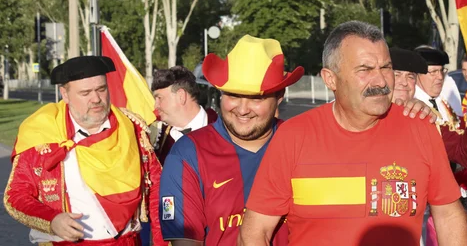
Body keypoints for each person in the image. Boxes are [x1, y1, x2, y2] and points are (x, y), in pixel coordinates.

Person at [239, 21, 467, 246]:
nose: (380, 81)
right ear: (330, 79)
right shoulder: (293, 136)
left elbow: (449, 215)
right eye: (365, 70)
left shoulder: (421, 127)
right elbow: (255, 231)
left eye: (386, 67)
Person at [4, 56, 166, 245]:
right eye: (85, 93)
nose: (96, 99)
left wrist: (163, 241)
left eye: (101, 89)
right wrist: (51, 220)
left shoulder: (132, 128)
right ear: (64, 94)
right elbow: (15, 195)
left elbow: (157, 190)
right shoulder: (41, 133)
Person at [158, 35, 303, 245]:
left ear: (280, 95)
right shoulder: (187, 154)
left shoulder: (301, 143)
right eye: (233, 95)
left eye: (256, 98)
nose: (243, 109)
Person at [390, 47, 467, 172]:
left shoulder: (425, 117)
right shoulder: (366, 116)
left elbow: (462, 154)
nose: (404, 82)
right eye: (397, 75)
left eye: (410, 76)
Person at [151, 66, 218, 164]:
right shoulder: (157, 137)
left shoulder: (224, 131)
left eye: (160, 98)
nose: (156, 106)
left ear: (181, 96)